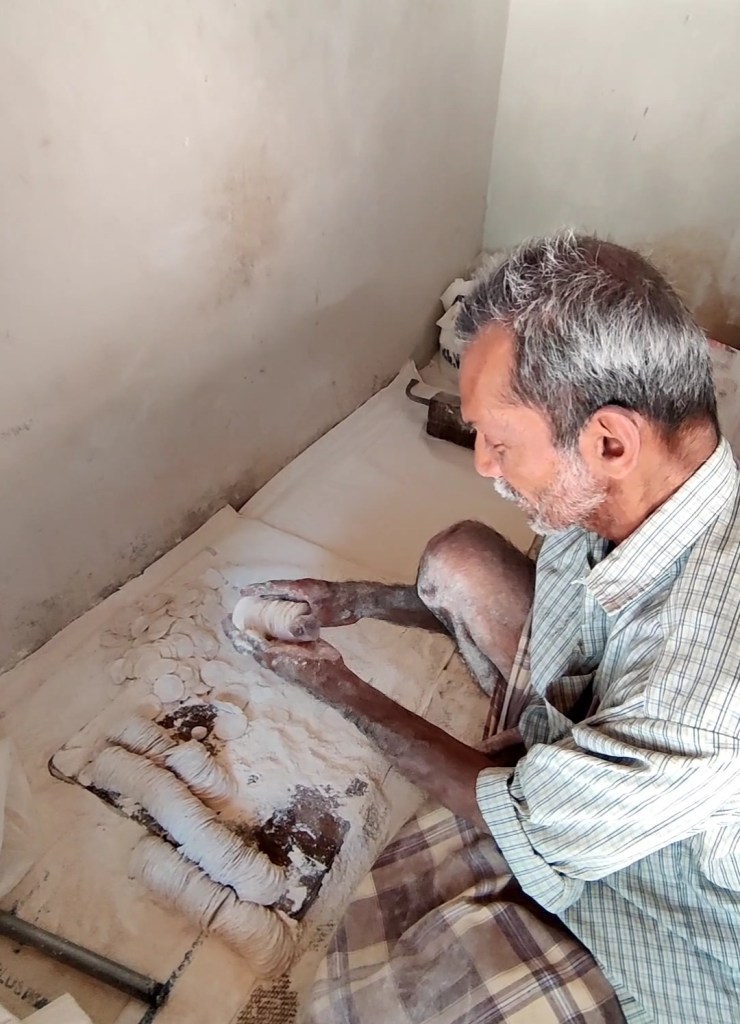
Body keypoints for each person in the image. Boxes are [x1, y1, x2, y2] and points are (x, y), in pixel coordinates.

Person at [238, 233, 740, 1024]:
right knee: (459, 559)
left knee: (420, 986)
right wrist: (357, 601)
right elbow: (565, 615)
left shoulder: (696, 706)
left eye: (499, 443)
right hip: (610, 730)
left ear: (610, 441)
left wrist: (334, 685)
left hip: (675, 918)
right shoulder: (627, 493)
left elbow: (524, 817)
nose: (482, 465)